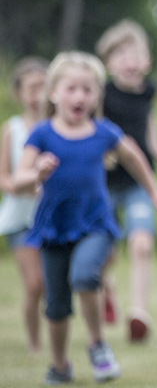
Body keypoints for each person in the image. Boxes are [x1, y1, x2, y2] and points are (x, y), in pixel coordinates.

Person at [13, 52, 157, 385]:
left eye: (88, 90)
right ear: (53, 93)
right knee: (56, 306)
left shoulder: (103, 132)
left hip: (95, 224)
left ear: (97, 96)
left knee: (85, 275)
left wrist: (154, 191)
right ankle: (59, 365)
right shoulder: (42, 134)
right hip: (54, 227)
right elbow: (17, 179)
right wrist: (36, 174)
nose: (80, 97)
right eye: (72, 89)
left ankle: (98, 345)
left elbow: (133, 156)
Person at [94, 19, 157, 343]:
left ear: (147, 60)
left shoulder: (148, 92)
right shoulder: (102, 93)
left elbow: (148, 121)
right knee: (106, 252)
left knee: (141, 245)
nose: (129, 62)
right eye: (120, 55)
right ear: (108, 63)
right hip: (104, 183)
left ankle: (138, 312)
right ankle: (107, 289)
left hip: (140, 182)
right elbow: (94, 124)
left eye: (135, 54)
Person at [0, 57, 48, 353]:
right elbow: (3, 177)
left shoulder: (58, 127)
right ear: (19, 93)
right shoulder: (12, 129)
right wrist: (21, 186)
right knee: (34, 284)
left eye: (44, 87)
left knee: (55, 283)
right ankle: (34, 342)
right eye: (32, 88)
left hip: (52, 215)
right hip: (20, 217)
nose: (38, 95)